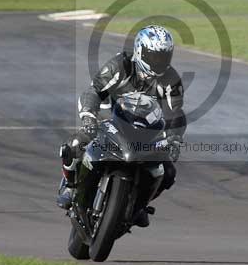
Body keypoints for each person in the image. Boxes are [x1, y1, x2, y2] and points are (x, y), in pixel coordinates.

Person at [56, 25, 186, 227]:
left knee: (168, 172)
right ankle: (71, 187)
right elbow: (93, 91)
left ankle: (138, 205)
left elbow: (175, 114)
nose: (159, 62)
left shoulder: (171, 80)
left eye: (164, 56)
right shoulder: (121, 65)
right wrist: (89, 118)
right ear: (140, 51)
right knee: (74, 145)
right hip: (108, 123)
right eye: (154, 56)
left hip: (145, 134)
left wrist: (174, 140)